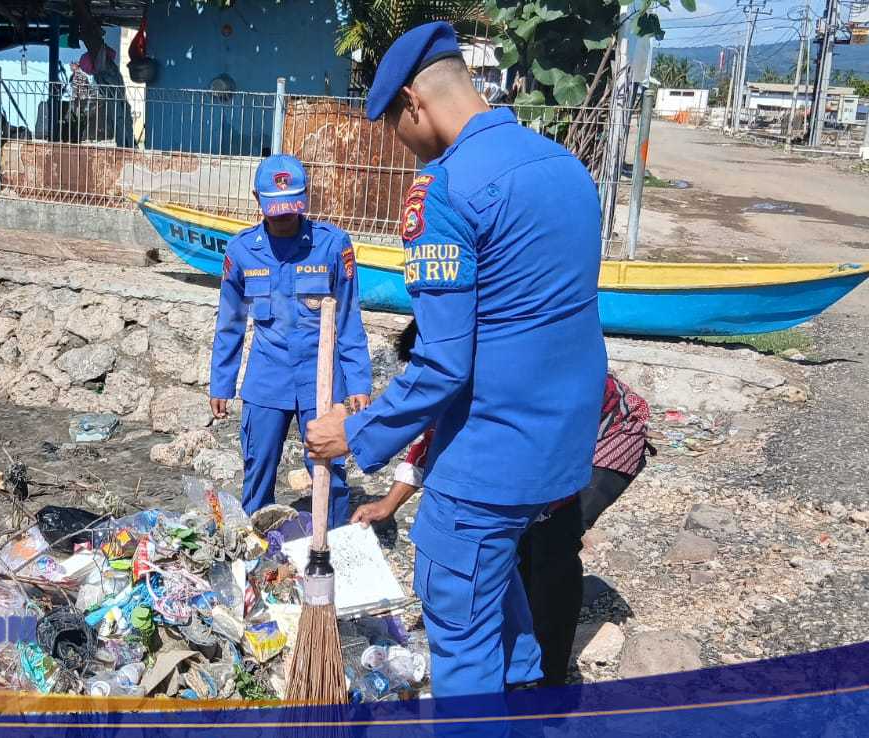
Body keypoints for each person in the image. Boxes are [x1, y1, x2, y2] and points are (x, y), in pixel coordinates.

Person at [304, 21, 606, 697]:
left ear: (414, 100)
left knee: (460, 626)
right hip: (560, 451)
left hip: (486, 458)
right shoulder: (564, 167)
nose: (399, 143)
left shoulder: (444, 189)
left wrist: (353, 434)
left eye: (392, 125)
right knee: (503, 609)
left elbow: (442, 361)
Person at [351, 322, 651, 687]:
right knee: (509, 543)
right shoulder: (458, 377)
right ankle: (515, 660)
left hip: (608, 435)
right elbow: (433, 438)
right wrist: (388, 504)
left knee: (553, 543)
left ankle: (550, 676)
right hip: (542, 440)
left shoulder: (509, 373)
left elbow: (555, 447)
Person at [209, 154, 372, 525]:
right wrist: (222, 382)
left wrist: (359, 382)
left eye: (291, 208)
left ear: (305, 199)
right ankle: (255, 551)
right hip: (267, 376)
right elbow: (230, 322)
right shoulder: (242, 251)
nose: (283, 218)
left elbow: (348, 318)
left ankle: (328, 547)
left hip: (323, 376)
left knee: (327, 468)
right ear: (257, 199)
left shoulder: (332, 246)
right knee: (258, 464)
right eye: (275, 210)